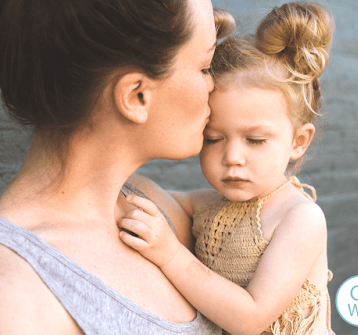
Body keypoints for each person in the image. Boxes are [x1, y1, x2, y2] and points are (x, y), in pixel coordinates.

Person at [0, 0, 235, 333]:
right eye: (205, 67)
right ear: (136, 95)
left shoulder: (153, 208)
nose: (214, 86)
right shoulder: (16, 295)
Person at [117, 3, 336, 335]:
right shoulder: (207, 206)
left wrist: (170, 254)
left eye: (255, 140)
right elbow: (140, 191)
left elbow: (250, 318)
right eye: (214, 138)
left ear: (298, 141)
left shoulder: (299, 218)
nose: (232, 156)